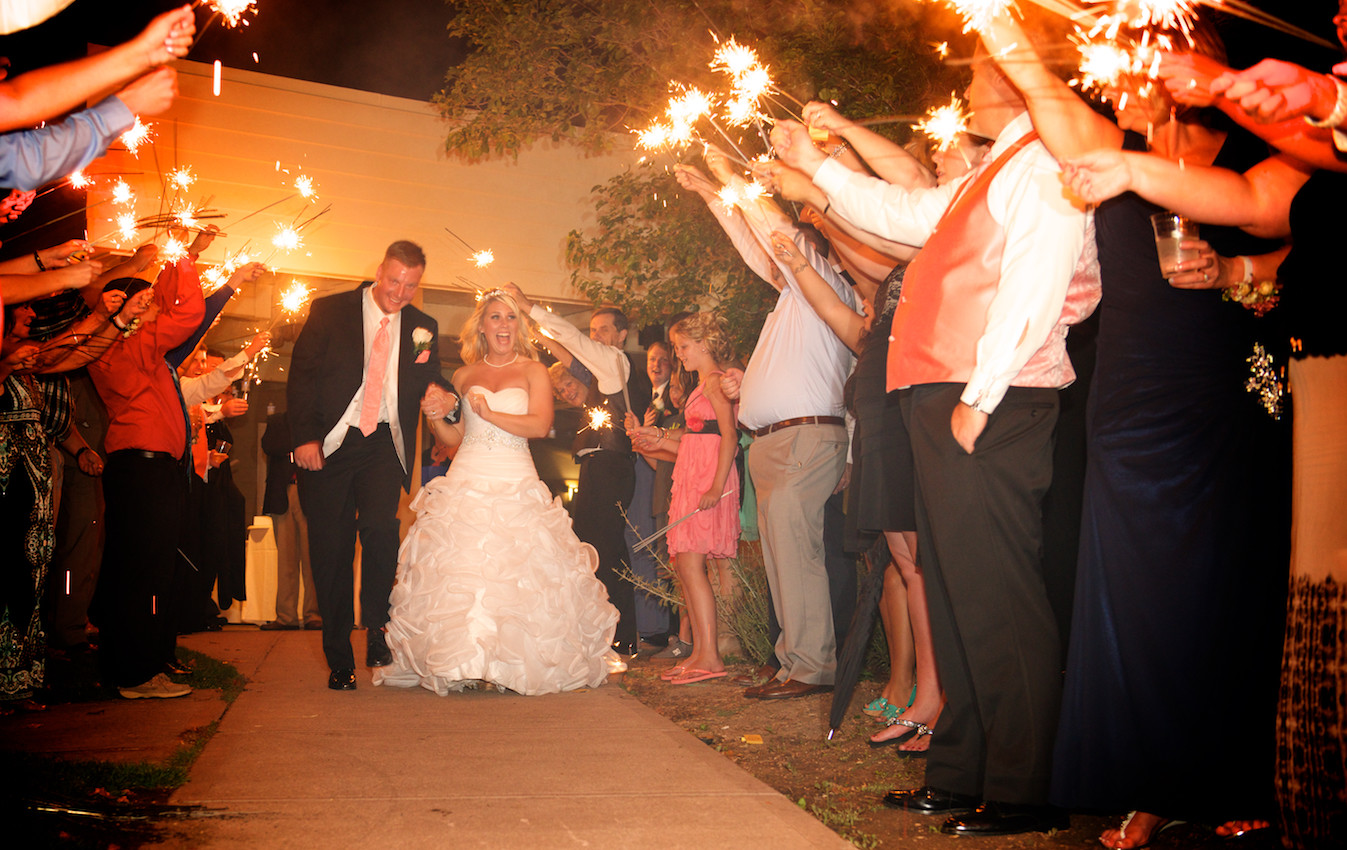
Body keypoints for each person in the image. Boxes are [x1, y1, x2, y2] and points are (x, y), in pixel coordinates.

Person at [977, 10, 1291, 846]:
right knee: (1138, 593)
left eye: (1135, 58)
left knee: (1227, 587)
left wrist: (1235, 273)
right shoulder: (1108, 146)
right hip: (1128, 404)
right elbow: (1036, 82)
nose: (1115, 76)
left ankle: (1233, 778)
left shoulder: (1258, 158)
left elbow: (1297, 254)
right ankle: (1149, 786)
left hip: (1227, 393)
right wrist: (992, 14)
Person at [774, 28, 1096, 832]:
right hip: (941, 395)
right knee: (952, 592)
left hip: (990, 399)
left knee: (995, 592)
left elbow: (1035, 283)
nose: (966, 84)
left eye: (978, 70)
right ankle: (962, 769)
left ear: (1015, 82)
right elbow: (903, 212)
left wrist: (980, 397)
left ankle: (1025, 787)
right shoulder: (989, 169)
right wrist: (817, 169)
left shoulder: (1042, 162)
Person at [374, 289, 620, 695]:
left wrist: (490, 412)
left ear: (517, 326)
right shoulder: (462, 376)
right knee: (464, 572)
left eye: (510, 317)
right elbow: (456, 437)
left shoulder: (533, 370)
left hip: (515, 477)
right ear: (482, 327)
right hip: (467, 477)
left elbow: (539, 425)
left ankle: (511, 664)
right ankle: (466, 662)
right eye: (495, 317)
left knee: (518, 573)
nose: (504, 324)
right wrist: (436, 418)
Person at [676, 148, 855, 702]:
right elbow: (757, 247)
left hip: (805, 438)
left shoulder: (823, 285)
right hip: (776, 443)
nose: (771, 261)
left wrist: (728, 177)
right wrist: (714, 196)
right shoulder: (788, 305)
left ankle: (812, 665)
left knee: (797, 556)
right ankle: (791, 661)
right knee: (781, 557)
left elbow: (774, 235)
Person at [286, 240, 454, 691]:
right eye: (394, 281)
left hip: (383, 441)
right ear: (380, 271)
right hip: (330, 444)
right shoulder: (330, 311)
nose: (400, 293)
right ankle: (339, 658)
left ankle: (377, 626)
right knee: (332, 551)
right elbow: (301, 376)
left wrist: (441, 393)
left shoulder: (422, 327)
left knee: (381, 529)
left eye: (410, 286)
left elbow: (430, 375)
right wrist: (304, 438)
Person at [86, 228, 217, 700]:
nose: (152, 307)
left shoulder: (128, 341)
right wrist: (184, 262)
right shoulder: (127, 346)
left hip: (147, 469)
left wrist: (186, 253)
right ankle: (137, 674)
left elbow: (162, 299)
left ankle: (135, 664)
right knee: (143, 571)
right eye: (140, 304)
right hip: (143, 469)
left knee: (143, 568)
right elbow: (188, 314)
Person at [507, 283, 646, 656]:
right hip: (597, 466)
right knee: (591, 546)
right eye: (593, 330)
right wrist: (536, 332)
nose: (596, 336)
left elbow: (572, 341)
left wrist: (529, 305)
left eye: (604, 330)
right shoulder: (601, 371)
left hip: (612, 465)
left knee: (606, 549)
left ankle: (620, 635)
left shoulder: (615, 363)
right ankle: (604, 630)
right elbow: (568, 356)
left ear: (621, 335)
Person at [628, 313, 740, 685]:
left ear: (705, 343)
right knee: (685, 567)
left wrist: (716, 487)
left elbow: (729, 435)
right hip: (693, 476)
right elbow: (695, 439)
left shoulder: (715, 381)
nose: (679, 355)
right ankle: (699, 652)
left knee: (692, 567)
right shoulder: (701, 385)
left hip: (707, 480)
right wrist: (658, 437)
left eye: (683, 346)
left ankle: (710, 655)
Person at [259, 410, 320, 631]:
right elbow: (269, 446)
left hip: (311, 497)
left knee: (312, 559)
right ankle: (286, 616)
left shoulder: (318, 419)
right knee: (285, 560)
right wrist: (300, 445)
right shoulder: (277, 421)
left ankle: (314, 614)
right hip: (282, 494)